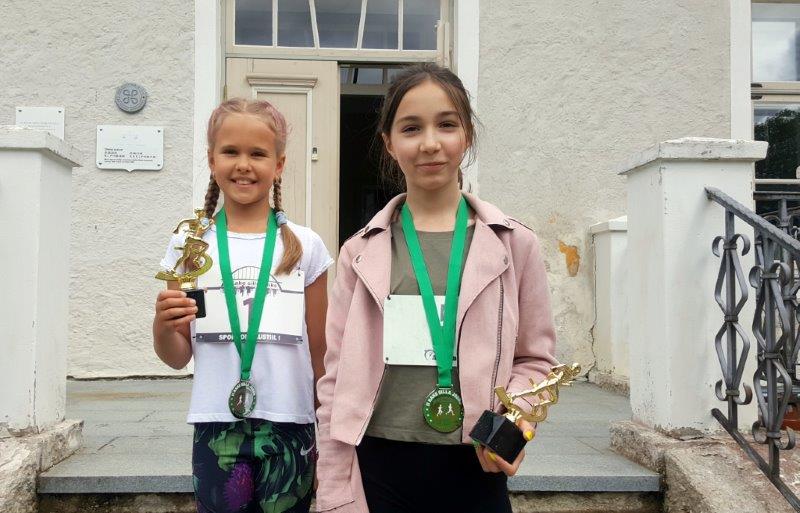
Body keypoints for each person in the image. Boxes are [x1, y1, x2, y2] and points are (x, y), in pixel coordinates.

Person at [315, 63, 559, 513]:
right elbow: (335, 378)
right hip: (379, 464)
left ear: (467, 135)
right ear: (389, 143)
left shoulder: (515, 244)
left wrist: (516, 424)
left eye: (446, 124)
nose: (430, 143)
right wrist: (332, 484)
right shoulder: (359, 253)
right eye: (411, 128)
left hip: (476, 463)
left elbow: (535, 361)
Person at [153, 98, 333, 513]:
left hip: (290, 422)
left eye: (258, 154)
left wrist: (327, 431)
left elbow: (321, 351)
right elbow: (177, 356)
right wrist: (162, 326)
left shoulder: (306, 247)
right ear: (211, 159)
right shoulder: (189, 247)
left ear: (279, 164)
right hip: (216, 422)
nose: (244, 165)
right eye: (231, 151)